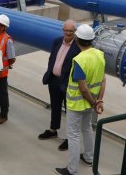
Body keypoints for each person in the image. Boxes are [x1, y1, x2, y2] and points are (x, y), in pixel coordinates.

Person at [55, 24, 106, 175]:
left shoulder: (79, 60)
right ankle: (89, 158)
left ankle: (72, 170)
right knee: (87, 128)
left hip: (77, 104)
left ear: (77, 39)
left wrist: (92, 102)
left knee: (73, 135)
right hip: (92, 102)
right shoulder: (99, 55)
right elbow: (103, 80)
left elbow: (83, 88)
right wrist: (99, 101)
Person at [39, 20, 80, 151]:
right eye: (66, 30)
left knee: (70, 111)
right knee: (55, 106)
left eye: (71, 31)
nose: (68, 33)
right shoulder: (57, 41)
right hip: (54, 80)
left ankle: (70, 138)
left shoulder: (78, 47)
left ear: (75, 32)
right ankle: (53, 129)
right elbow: (52, 58)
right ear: (62, 30)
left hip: (68, 84)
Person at [0, 14, 16, 125]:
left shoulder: (8, 40)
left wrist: (3, 65)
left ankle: (3, 115)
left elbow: (12, 58)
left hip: (1, 73)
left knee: (2, 95)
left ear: (3, 27)